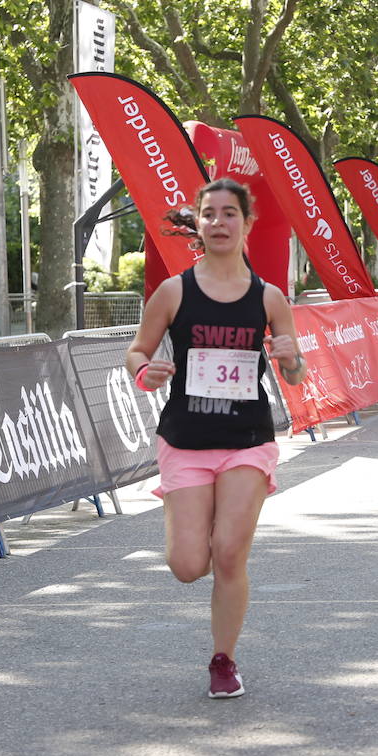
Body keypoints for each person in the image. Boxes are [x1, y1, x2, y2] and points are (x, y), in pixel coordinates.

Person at [125, 178, 306, 699]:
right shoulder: (174, 292)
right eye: (209, 214)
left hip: (248, 438)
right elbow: (138, 351)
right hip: (185, 438)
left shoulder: (268, 297)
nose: (219, 223)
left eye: (230, 214)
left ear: (247, 224)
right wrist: (145, 372)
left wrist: (291, 359)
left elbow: (294, 375)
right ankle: (193, 522)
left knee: (229, 553)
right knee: (187, 565)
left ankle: (223, 660)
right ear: (198, 225)